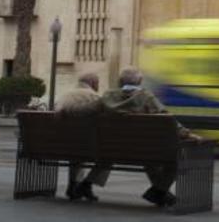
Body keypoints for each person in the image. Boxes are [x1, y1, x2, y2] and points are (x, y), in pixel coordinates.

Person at [99, 68, 200, 208]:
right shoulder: (146, 96)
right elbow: (168, 120)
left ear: (120, 81)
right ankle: (159, 191)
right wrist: (187, 133)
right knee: (173, 160)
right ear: (140, 81)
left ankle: (160, 192)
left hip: (112, 148)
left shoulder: (107, 96)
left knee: (151, 158)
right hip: (143, 149)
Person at [55, 73, 107, 202]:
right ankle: (86, 185)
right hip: (90, 146)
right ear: (94, 84)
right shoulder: (95, 97)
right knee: (108, 155)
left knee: (76, 149)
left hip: (62, 145)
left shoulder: (64, 96)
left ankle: (73, 185)